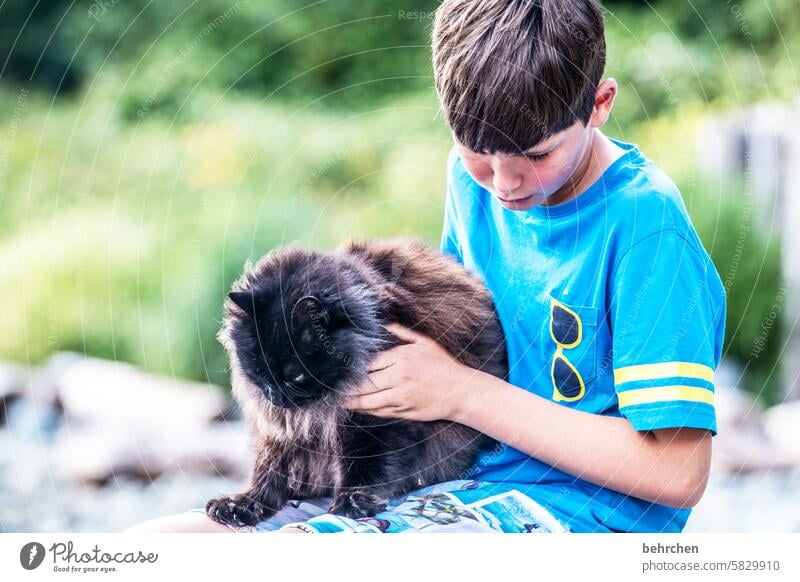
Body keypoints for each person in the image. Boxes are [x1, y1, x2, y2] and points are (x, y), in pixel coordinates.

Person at [127, 0, 725, 534]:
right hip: (454, 485)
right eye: (478, 155)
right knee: (158, 549)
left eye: (537, 154)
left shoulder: (646, 227)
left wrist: (461, 394)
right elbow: (457, 337)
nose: (505, 184)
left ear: (600, 104)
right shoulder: (472, 185)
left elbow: (678, 472)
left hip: (577, 513)